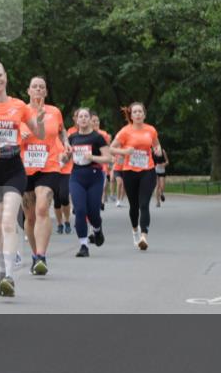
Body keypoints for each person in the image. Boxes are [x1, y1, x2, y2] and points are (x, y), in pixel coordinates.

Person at [0, 58, 46, 298]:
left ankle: (10, 278)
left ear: (6, 76)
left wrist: (40, 120)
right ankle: (2, 270)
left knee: (8, 222)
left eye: (0, 75)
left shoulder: (19, 106)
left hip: (13, 166)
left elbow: (39, 133)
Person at [21, 76, 69, 276]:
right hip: (24, 167)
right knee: (30, 216)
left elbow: (61, 130)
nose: (38, 89)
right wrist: (19, 136)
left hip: (49, 165)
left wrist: (66, 142)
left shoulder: (54, 111)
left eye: (42, 87)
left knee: (42, 208)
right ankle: (34, 255)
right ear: (29, 90)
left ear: (46, 92)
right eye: (35, 86)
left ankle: (41, 256)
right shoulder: (20, 112)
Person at [110, 102, 162, 250]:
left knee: (144, 204)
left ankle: (144, 236)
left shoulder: (151, 130)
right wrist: (125, 152)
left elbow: (157, 145)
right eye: (135, 112)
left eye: (140, 112)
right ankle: (135, 231)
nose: (138, 114)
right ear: (131, 116)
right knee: (134, 206)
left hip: (148, 170)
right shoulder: (125, 131)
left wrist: (158, 150)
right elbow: (112, 148)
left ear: (144, 114)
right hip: (130, 171)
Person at [67, 108, 114, 257]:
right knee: (80, 210)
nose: (83, 119)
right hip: (76, 177)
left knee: (93, 212)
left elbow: (108, 158)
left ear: (90, 119)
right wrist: (64, 156)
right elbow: (65, 159)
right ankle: (83, 245)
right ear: (76, 120)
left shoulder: (97, 137)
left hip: (94, 177)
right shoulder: (72, 138)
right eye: (80, 116)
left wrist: (93, 157)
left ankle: (97, 230)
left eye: (86, 116)